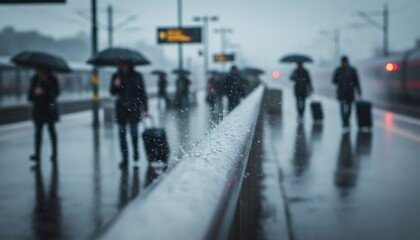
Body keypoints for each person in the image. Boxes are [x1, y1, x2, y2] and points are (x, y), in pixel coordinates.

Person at [110, 61, 149, 168]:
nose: (123, 65)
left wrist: (145, 109)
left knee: (134, 133)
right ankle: (125, 159)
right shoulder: (116, 76)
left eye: (125, 64)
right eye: (121, 64)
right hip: (121, 109)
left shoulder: (137, 76)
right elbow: (112, 92)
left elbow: (142, 93)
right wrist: (116, 85)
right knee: (122, 135)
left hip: (134, 108)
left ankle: (135, 150)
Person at [28, 67, 59, 163]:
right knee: (38, 133)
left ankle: (54, 153)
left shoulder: (52, 79)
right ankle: (37, 155)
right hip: (38, 110)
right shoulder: (35, 79)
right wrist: (35, 93)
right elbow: (29, 97)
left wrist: (43, 92)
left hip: (49, 109)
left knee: (52, 132)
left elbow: (56, 93)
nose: (37, 70)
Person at [332, 56, 362, 130]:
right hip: (346, 92)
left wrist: (359, 91)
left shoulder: (339, 70)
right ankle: (345, 121)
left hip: (346, 92)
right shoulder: (351, 70)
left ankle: (346, 121)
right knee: (344, 107)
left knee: (347, 108)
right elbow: (356, 82)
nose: (344, 63)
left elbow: (356, 81)